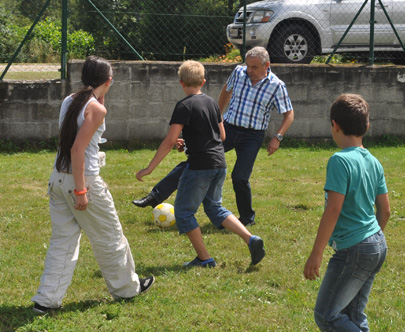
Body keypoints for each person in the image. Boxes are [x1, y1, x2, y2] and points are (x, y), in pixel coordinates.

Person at [32, 56, 154, 315]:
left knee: (62, 243)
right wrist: (81, 191)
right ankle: (127, 289)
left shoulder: (71, 100)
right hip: (81, 181)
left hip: (57, 179)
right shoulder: (96, 109)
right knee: (110, 237)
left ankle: (45, 301)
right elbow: (78, 149)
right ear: (108, 81)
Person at [132, 46, 294, 227]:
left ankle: (247, 218)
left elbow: (289, 114)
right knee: (194, 160)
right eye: (248, 65)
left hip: (252, 136)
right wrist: (217, 118)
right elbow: (226, 90)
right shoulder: (239, 72)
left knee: (240, 177)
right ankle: (156, 196)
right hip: (229, 128)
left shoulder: (277, 85)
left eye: (254, 67)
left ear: (267, 65)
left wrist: (278, 137)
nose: (249, 70)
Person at [135, 60, 265, 268]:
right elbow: (222, 136)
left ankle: (205, 259)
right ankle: (251, 239)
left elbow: (169, 141)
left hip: (199, 166)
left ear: (181, 83)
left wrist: (149, 169)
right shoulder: (213, 103)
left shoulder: (183, 106)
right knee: (214, 207)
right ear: (203, 81)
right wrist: (188, 142)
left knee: (184, 213)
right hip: (219, 162)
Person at [303, 94, 390, 331]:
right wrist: (372, 240)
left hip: (355, 250)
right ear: (367, 125)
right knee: (353, 313)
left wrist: (316, 253)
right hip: (377, 244)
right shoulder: (374, 161)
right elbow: (385, 210)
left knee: (327, 315)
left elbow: (333, 209)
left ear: (334, 125)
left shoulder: (340, 161)